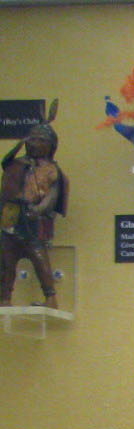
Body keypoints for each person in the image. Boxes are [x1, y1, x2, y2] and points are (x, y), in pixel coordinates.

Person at [1, 104, 67, 309]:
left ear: (51, 145)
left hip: (33, 220)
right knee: (6, 260)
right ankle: (5, 298)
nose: (35, 144)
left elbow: (51, 198)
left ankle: (50, 297)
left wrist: (37, 210)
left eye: (41, 140)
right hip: (11, 217)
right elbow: (6, 166)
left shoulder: (51, 170)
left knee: (39, 258)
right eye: (33, 139)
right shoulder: (17, 164)